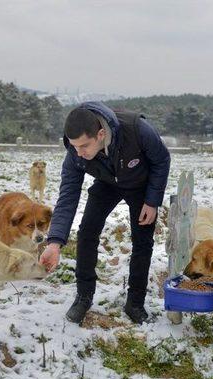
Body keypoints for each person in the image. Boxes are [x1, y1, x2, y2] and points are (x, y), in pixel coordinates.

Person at [40, 102, 170, 325]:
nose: (79, 153)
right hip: (107, 182)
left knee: (143, 240)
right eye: (74, 147)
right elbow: (67, 197)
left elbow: (161, 160)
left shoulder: (138, 130)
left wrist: (152, 201)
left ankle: (135, 303)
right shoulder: (75, 153)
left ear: (101, 134)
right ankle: (83, 296)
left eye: (84, 146)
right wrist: (54, 242)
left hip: (141, 184)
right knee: (87, 232)